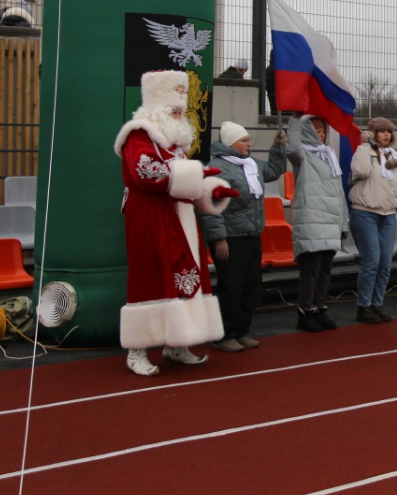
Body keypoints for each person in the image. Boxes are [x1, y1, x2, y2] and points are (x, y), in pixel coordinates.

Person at [114, 70, 238, 376]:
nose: (179, 114)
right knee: (149, 277)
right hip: (150, 218)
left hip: (180, 218)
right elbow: (146, 173)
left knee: (182, 277)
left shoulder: (175, 143)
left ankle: (176, 343)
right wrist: (197, 177)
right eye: (173, 109)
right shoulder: (137, 135)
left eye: (180, 110)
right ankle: (137, 349)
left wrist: (211, 190)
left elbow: (186, 179)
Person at [200, 121, 288, 352]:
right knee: (231, 288)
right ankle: (224, 334)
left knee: (251, 287)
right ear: (231, 143)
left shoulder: (251, 164)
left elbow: (275, 171)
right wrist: (219, 238)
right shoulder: (217, 168)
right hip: (230, 239)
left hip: (251, 234)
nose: (249, 143)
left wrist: (277, 148)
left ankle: (242, 331)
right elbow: (210, 205)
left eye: (248, 139)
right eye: (244, 140)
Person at [286, 114, 349, 332]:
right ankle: (304, 311)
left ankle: (320, 307)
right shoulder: (303, 154)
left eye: (323, 130)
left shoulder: (329, 155)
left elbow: (339, 194)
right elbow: (291, 148)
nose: (321, 134)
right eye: (316, 130)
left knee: (325, 270)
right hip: (312, 220)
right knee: (311, 271)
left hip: (330, 221)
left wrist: (343, 223)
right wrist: (294, 120)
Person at [348, 116, 397, 324]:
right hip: (365, 213)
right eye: (382, 131)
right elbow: (361, 171)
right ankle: (363, 306)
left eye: (389, 131)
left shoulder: (394, 155)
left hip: (388, 215)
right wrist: (366, 146)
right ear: (373, 133)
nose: (386, 135)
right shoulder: (362, 151)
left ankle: (377, 303)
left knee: (385, 263)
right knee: (371, 261)